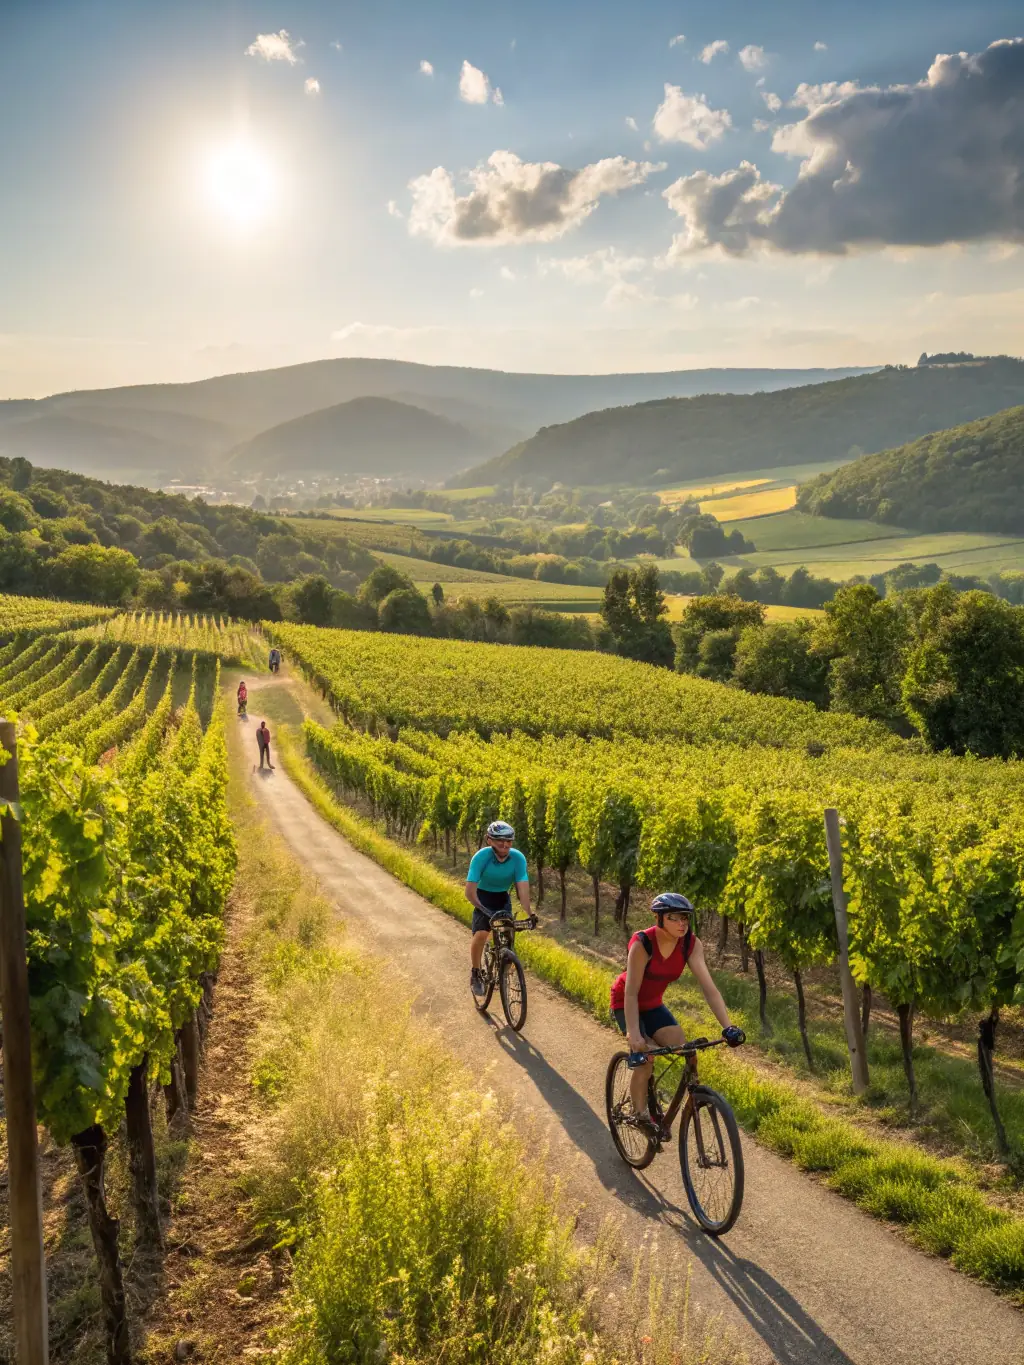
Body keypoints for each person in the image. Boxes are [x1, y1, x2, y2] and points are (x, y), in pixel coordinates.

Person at [610, 893, 744, 1133]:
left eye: (685, 918)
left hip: (652, 1005)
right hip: (625, 1002)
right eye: (675, 918)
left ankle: (674, 1094)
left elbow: (709, 988)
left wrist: (728, 1026)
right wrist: (634, 1034)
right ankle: (639, 1114)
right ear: (658, 918)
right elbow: (631, 993)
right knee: (645, 1059)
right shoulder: (643, 943)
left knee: (684, 1047)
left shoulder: (691, 945)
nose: (682, 923)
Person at [465, 820, 531, 997]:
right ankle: (476, 973)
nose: (504, 844)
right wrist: (483, 910)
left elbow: (523, 889)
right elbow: (470, 892)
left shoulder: (518, 859)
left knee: (507, 936)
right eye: (499, 840)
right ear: (489, 840)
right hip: (482, 897)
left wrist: (530, 913)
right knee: (481, 934)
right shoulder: (480, 858)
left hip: (502, 897)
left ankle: (504, 965)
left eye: (509, 840)